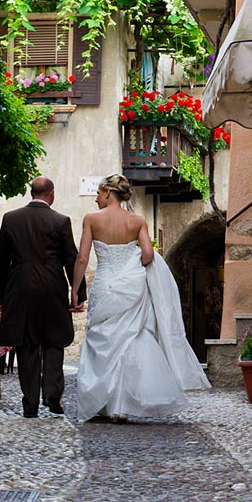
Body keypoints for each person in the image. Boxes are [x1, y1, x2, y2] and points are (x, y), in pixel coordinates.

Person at [71, 173, 211, 423]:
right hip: (131, 286)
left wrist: (74, 289)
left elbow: (82, 258)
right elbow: (148, 254)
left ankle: (105, 402)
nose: (96, 199)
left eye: (98, 194)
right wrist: (132, 266)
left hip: (104, 284)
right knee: (129, 339)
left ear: (107, 192)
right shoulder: (136, 221)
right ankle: (122, 406)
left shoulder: (92, 220)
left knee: (102, 338)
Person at [0, 176, 86, 418]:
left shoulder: (11, 219)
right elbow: (71, 258)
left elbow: (2, 260)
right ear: (51, 194)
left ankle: (31, 402)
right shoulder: (60, 221)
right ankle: (52, 396)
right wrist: (78, 293)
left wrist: (2, 293)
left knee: (26, 345)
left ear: (31, 193)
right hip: (52, 286)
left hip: (20, 287)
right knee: (54, 341)